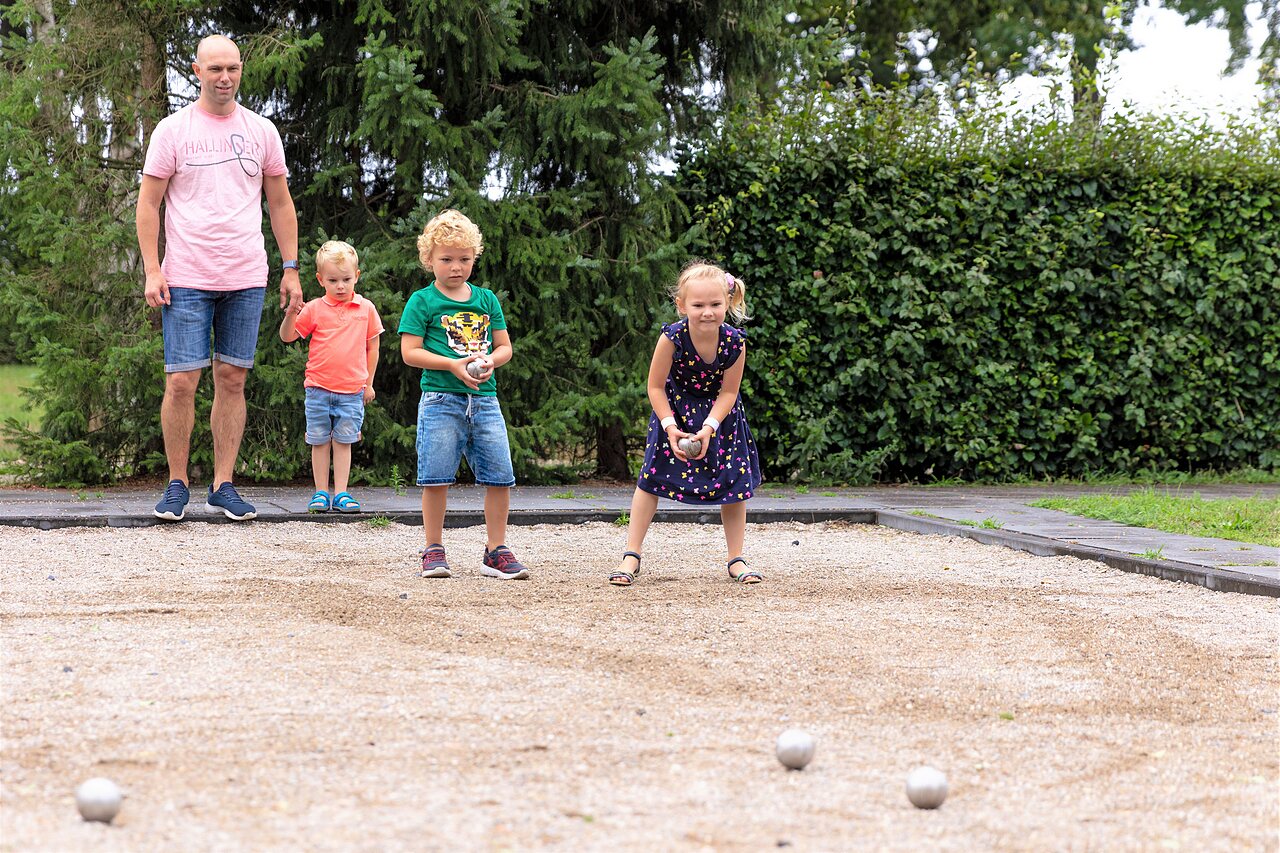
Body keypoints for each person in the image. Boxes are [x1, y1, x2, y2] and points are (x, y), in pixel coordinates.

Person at [137, 34, 303, 522]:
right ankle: (176, 485)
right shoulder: (172, 131)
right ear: (196, 71)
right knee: (182, 382)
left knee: (232, 379)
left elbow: (279, 203)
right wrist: (152, 267)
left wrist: (290, 268)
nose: (225, 77)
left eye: (232, 68)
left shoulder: (261, 130)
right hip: (185, 275)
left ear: (241, 70)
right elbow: (149, 203)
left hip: (246, 275)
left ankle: (223, 485)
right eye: (215, 69)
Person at [609, 261, 763, 586]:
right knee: (650, 479)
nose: (708, 312)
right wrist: (669, 425)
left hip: (720, 419)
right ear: (681, 306)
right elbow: (654, 386)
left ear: (727, 302)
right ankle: (631, 555)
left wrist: (709, 427)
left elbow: (730, 391)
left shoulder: (736, 343)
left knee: (733, 485)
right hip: (673, 413)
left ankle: (736, 558)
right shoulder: (672, 337)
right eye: (698, 305)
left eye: (715, 304)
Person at [398, 209, 530, 580]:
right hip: (441, 400)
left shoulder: (486, 299)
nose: (456, 267)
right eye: (447, 259)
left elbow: (505, 347)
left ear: (475, 257)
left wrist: (491, 359)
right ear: (429, 260)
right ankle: (433, 548)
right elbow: (411, 352)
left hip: (485, 401)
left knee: (500, 477)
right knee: (435, 477)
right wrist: (453, 365)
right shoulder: (422, 301)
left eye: (464, 259)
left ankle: (496, 550)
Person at [279, 241, 383, 513]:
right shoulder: (314, 308)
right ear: (320, 280)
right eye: (333, 280)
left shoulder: (366, 309)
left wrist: (368, 383)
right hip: (318, 389)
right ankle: (321, 493)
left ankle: (343, 493)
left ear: (356, 276)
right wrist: (292, 313)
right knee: (319, 441)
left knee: (344, 441)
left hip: (352, 390)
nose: (340, 286)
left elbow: (373, 347)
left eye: (346, 279)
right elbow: (288, 336)